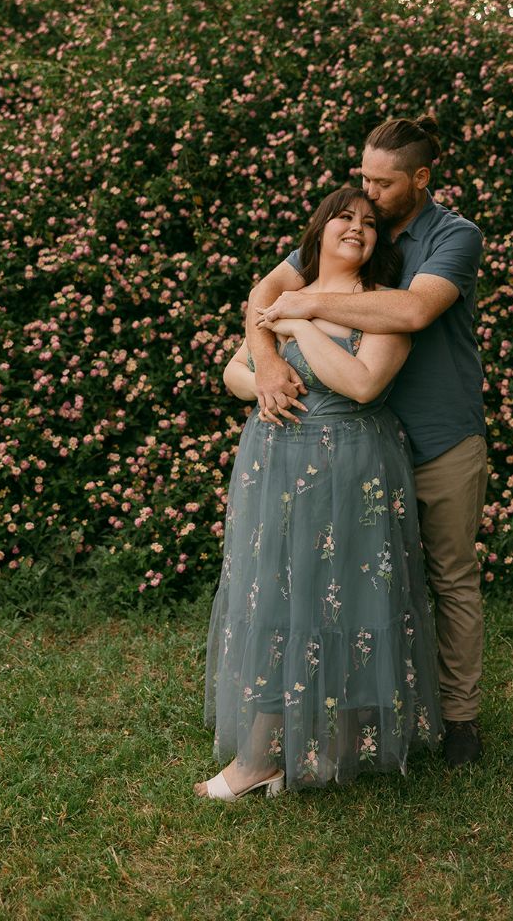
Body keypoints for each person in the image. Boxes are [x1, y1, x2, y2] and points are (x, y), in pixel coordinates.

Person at [249, 118, 487, 767]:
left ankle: (459, 718)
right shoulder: (355, 231)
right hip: (356, 445)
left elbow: (411, 312)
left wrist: (310, 312)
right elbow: (264, 295)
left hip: (438, 439)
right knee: (366, 582)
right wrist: (267, 361)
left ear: (421, 179)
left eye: (383, 183)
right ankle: (365, 715)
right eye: (364, 179)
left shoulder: (453, 236)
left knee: (449, 578)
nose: (370, 194)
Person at [196, 187, 442, 800]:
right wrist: (264, 383)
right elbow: (232, 370)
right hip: (277, 463)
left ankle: (331, 752)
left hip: (351, 466)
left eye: (368, 222)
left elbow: (361, 383)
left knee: (349, 599)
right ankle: (264, 757)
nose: (357, 226)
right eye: (344, 217)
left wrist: (300, 324)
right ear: (319, 230)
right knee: (279, 596)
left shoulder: (383, 304)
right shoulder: (280, 295)